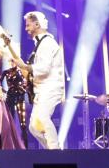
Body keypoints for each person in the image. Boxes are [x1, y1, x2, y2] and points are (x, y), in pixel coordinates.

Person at [6, 11, 66, 149]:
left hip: (50, 88)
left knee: (43, 118)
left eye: (28, 25)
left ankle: (55, 150)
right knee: (33, 127)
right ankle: (50, 150)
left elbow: (44, 68)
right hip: (41, 90)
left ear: (37, 24)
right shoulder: (40, 44)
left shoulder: (47, 43)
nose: (26, 28)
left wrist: (26, 67)